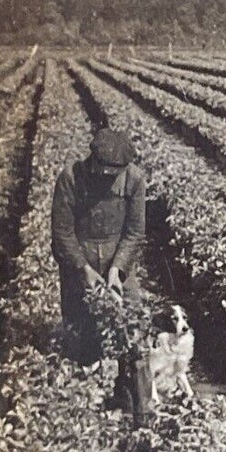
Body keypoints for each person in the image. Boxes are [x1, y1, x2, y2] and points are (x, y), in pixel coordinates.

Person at [51, 125, 152, 413]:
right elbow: (63, 233)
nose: (108, 179)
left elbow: (134, 232)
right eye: (103, 171)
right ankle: (84, 410)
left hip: (117, 259)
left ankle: (139, 408)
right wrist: (83, 270)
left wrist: (117, 271)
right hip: (77, 259)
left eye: (114, 173)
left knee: (132, 332)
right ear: (92, 161)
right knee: (81, 333)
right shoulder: (70, 178)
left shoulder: (134, 180)